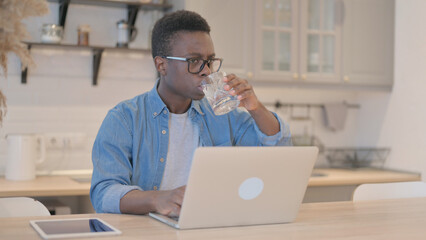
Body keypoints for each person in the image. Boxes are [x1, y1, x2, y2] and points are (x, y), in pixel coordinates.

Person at [90, 10, 292, 217]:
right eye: (194, 61)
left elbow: (278, 149)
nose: (206, 71)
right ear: (162, 65)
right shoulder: (124, 119)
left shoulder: (222, 113)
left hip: (210, 225)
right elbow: (103, 193)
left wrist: (255, 108)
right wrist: (157, 199)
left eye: (210, 60)